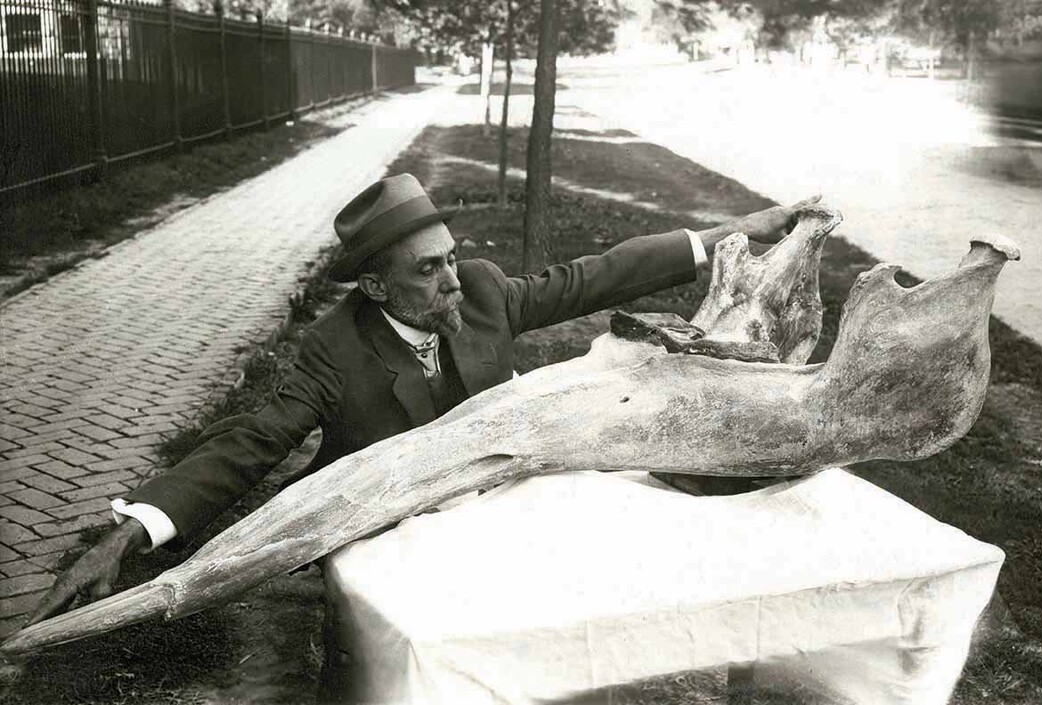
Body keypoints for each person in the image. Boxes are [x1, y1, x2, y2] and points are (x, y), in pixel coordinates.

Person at [25, 172, 816, 635]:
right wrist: (131, 531)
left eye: (451, 259)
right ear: (375, 287)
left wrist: (739, 229)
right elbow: (249, 442)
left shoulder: (479, 291)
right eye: (427, 271)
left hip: (503, 506)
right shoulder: (333, 351)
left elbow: (602, 273)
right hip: (391, 536)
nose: (451, 280)